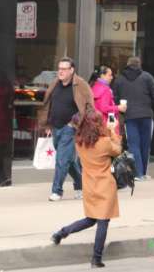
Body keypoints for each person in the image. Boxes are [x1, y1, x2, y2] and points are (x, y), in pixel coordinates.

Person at [50, 110, 122, 268]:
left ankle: (61, 233)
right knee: (103, 221)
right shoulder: (104, 142)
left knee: (90, 219)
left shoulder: (79, 142)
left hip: (89, 185)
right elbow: (117, 150)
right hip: (104, 185)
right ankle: (96, 258)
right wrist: (112, 130)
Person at [37, 57, 95, 202]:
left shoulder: (80, 85)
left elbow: (89, 107)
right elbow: (49, 105)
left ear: (71, 70)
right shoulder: (55, 83)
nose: (60, 71)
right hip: (56, 127)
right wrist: (48, 124)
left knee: (62, 160)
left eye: (64, 69)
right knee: (69, 160)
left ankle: (57, 191)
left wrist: (73, 123)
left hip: (71, 128)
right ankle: (81, 185)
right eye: (59, 68)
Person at [112, 56, 154, 181]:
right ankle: (143, 172)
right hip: (146, 115)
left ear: (127, 64)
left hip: (129, 116)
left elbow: (115, 97)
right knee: (145, 144)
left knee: (134, 145)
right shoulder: (147, 77)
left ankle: (138, 173)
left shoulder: (119, 79)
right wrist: (149, 106)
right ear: (139, 64)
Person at [89, 66, 127, 130]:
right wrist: (118, 108)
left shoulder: (94, 86)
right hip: (106, 123)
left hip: (96, 122)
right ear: (102, 76)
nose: (112, 77)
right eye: (110, 75)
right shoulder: (106, 89)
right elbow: (104, 108)